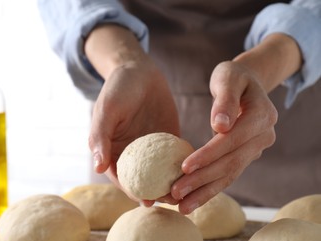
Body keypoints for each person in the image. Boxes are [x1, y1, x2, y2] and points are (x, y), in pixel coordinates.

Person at [37, 0, 321, 214]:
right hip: (133, 112)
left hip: (280, 105)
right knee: (129, 233)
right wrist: (123, 62)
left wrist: (265, 63)